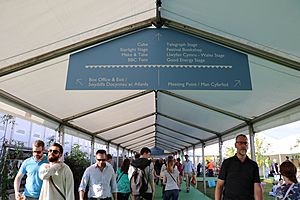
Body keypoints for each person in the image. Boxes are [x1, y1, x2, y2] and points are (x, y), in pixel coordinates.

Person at [215, 134, 263, 200]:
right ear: (235, 145)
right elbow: (219, 185)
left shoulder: (253, 165)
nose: (243, 145)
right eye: (240, 143)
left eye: (245, 143)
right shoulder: (227, 163)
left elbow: (257, 187)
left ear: (248, 146)